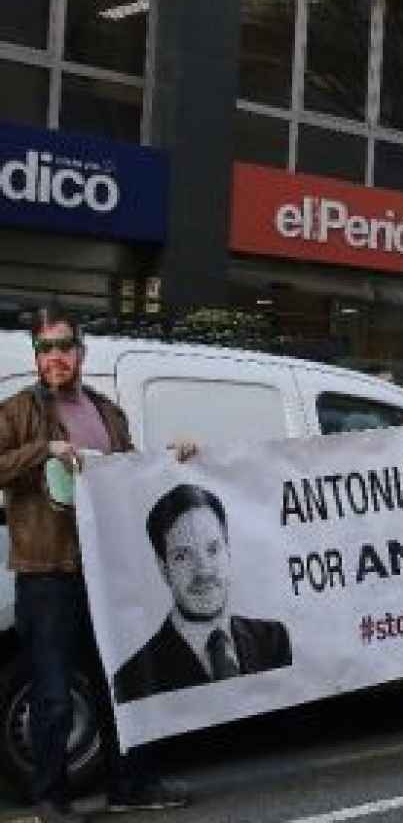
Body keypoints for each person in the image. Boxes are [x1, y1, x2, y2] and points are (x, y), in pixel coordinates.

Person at [0, 307, 194, 820]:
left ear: (80, 352)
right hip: (48, 573)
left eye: (63, 347)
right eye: (45, 349)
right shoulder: (18, 411)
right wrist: (43, 450)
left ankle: (130, 785)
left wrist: (172, 460)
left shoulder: (106, 412)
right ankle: (50, 797)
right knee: (54, 693)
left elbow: (130, 473)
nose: (55, 358)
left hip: (106, 569)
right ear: (36, 356)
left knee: (121, 684)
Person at [113, 485, 292, 703]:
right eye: (183, 556)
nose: (203, 571)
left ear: (228, 550)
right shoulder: (133, 680)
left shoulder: (273, 640)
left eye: (213, 549)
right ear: (163, 568)